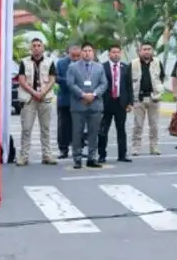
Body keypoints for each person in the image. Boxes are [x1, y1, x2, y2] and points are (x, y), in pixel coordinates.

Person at [64, 41, 108, 169]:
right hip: (79, 105)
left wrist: (93, 95)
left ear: (93, 53)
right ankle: (77, 159)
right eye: (85, 50)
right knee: (77, 133)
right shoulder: (73, 67)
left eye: (89, 50)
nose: (87, 53)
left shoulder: (99, 67)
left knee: (93, 133)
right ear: (81, 52)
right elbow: (70, 84)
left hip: (95, 105)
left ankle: (92, 158)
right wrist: (83, 95)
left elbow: (104, 84)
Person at [15, 37, 57, 166]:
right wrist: (34, 93)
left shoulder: (50, 62)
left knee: (45, 128)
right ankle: (24, 156)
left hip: (45, 98)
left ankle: (47, 155)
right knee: (26, 129)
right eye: (34, 45)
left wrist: (42, 93)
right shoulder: (24, 62)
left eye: (39, 45)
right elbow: (21, 80)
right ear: (31, 48)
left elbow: (52, 79)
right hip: (29, 98)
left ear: (43, 48)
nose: (37, 48)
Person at [97, 44, 132, 164]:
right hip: (106, 103)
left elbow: (129, 86)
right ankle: (101, 155)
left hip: (120, 103)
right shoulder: (102, 67)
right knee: (103, 130)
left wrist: (130, 102)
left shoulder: (126, 67)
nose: (116, 54)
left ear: (120, 53)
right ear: (109, 54)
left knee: (121, 130)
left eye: (118, 52)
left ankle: (122, 155)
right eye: (113, 52)